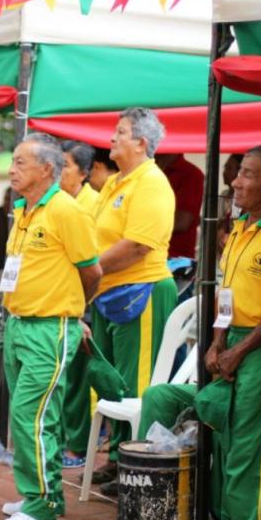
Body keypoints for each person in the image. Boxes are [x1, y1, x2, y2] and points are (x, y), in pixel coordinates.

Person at [0, 133, 101, 520]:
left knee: (31, 415)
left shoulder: (66, 210)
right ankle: (42, 493)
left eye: (20, 162)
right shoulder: (25, 210)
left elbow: (92, 273)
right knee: (35, 416)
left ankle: (41, 506)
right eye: (12, 160)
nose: (11, 168)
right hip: (18, 324)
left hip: (49, 328)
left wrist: (72, 312)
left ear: (46, 168)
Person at [89, 108, 177, 495]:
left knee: (137, 386)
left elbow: (137, 245)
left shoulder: (152, 182)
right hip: (110, 292)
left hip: (140, 292)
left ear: (141, 142)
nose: (112, 137)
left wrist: (88, 272)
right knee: (114, 383)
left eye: (120, 132)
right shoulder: (115, 183)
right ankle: (118, 460)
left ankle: (138, 470)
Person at [205, 145, 261, 520]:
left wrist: (239, 349)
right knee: (227, 441)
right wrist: (218, 340)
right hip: (233, 343)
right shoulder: (240, 226)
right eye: (238, 173)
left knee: (250, 451)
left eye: (248, 174)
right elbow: (227, 291)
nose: (236, 181)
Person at [58, 139, 99, 469]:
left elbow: (90, 267)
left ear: (84, 173)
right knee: (67, 377)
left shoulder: (88, 206)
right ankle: (66, 439)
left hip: (84, 303)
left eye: (66, 165)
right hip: (63, 300)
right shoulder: (58, 201)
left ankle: (78, 445)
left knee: (79, 378)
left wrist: (81, 309)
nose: (58, 170)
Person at [156, 154, 205, 259]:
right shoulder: (145, 170)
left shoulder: (191, 174)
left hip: (174, 258)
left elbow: (182, 221)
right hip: (144, 253)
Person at [60, 140, 99, 214]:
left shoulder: (96, 203)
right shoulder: (50, 197)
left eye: (65, 165)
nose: (57, 168)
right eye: (57, 163)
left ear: (83, 174)